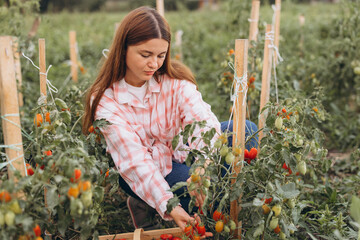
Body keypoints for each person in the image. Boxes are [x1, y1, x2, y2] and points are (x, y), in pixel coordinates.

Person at [82, 6, 258, 235]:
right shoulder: (107, 99)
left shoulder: (173, 81)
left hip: (182, 154)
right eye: (145, 55)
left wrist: (203, 169)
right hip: (144, 168)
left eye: (160, 56)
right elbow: (134, 161)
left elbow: (202, 121)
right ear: (123, 49)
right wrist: (169, 205)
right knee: (196, 201)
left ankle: (218, 201)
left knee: (246, 131)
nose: (154, 63)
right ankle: (150, 199)